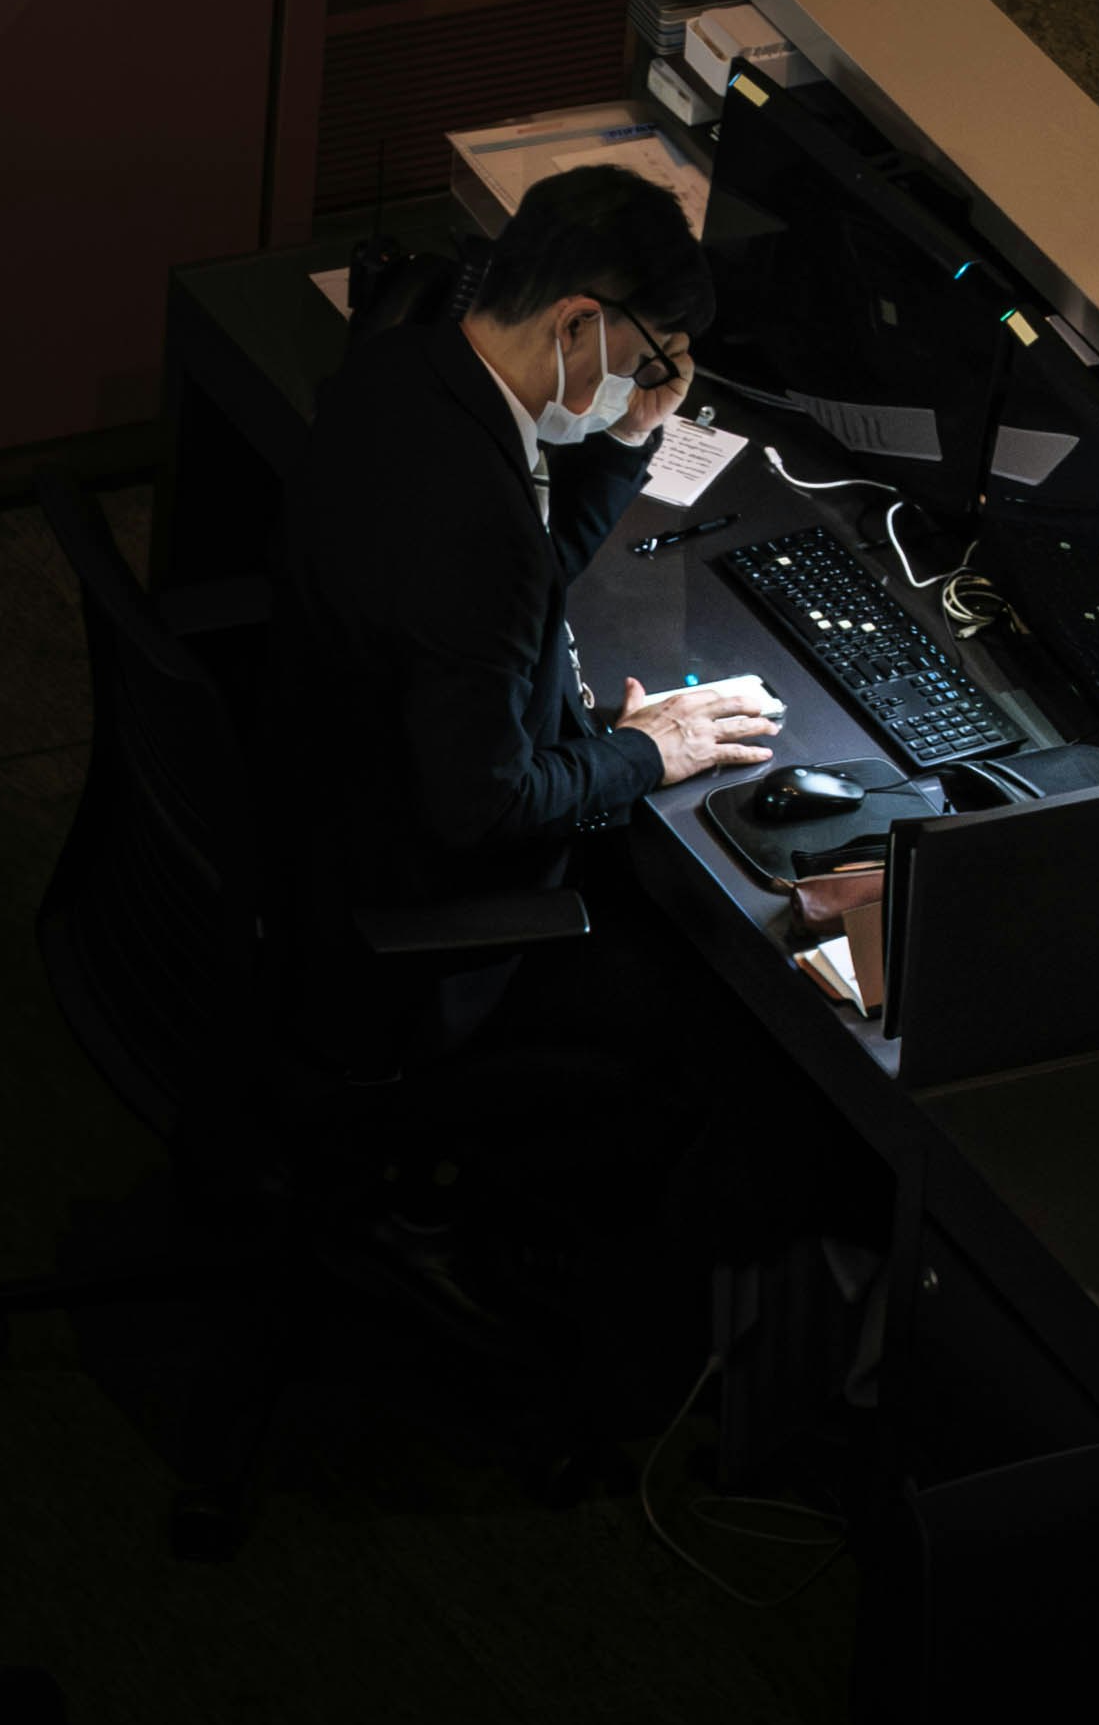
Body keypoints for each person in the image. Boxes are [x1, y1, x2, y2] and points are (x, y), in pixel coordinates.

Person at [257, 167, 844, 1340]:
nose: (657, 379)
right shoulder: (475, 523)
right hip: (410, 927)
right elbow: (486, 805)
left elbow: (513, 584)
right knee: (728, 1018)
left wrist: (628, 433)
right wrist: (647, 750)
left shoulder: (405, 366)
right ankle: (574, 1309)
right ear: (579, 322)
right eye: (651, 354)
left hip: (314, 818)